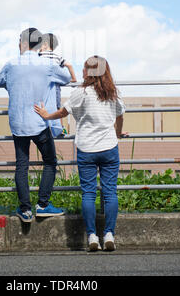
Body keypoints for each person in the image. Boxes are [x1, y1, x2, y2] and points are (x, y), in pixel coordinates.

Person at [34, 55, 126, 251]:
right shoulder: (113, 93)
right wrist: (117, 134)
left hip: (86, 149)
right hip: (109, 147)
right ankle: (109, 234)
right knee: (110, 192)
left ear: (90, 71)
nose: (82, 71)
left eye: (84, 68)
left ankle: (92, 237)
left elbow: (62, 113)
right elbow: (119, 116)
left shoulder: (81, 92)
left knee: (89, 193)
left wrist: (46, 115)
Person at [0, 27, 72, 223]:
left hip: (18, 123)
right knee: (50, 162)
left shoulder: (11, 63)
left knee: (22, 166)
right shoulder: (46, 65)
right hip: (39, 121)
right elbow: (67, 78)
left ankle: (25, 210)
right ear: (38, 44)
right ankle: (43, 205)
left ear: (22, 43)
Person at [39, 33, 77, 137]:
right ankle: (59, 128)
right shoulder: (57, 57)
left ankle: (47, 126)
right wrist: (74, 79)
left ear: (45, 44)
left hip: (42, 84)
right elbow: (68, 65)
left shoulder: (39, 56)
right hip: (55, 84)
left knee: (43, 104)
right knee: (57, 106)